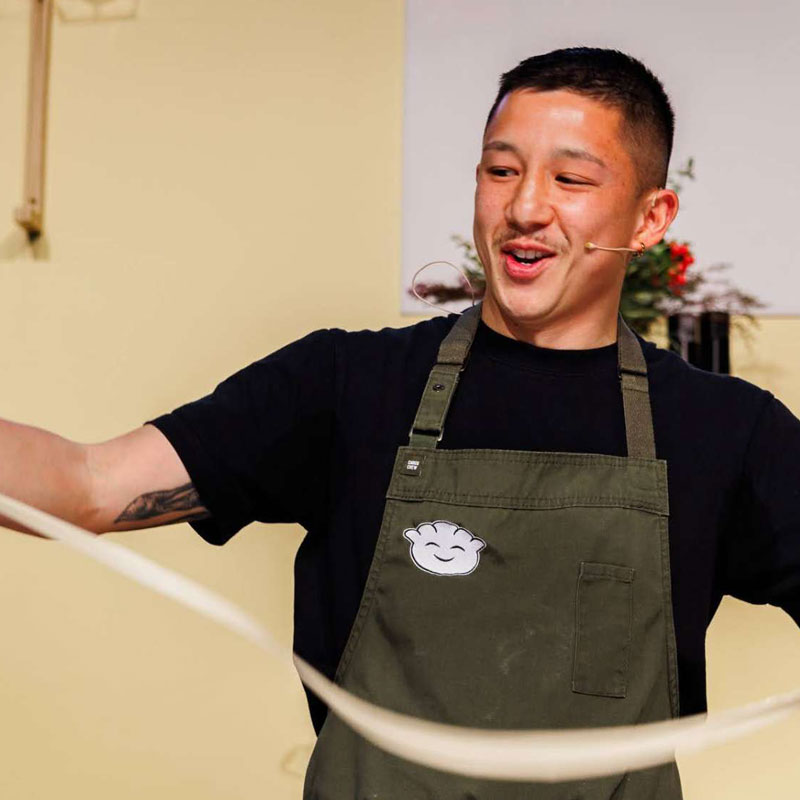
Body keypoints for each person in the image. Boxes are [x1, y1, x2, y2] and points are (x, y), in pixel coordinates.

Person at [2, 46, 800, 798]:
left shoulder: (728, 431)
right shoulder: (345, 385)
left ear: (650, 219)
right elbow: (89, 484)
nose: (525, 207)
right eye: (501, 170)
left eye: (571, 179)